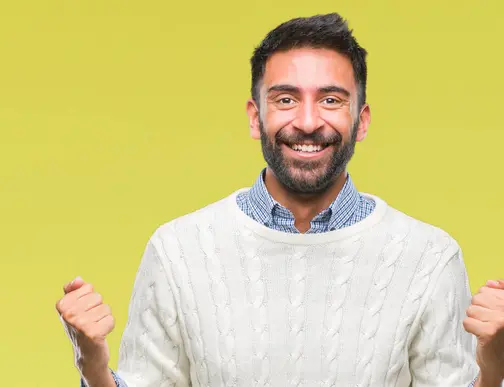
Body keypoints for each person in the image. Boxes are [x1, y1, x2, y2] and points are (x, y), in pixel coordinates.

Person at [55, 13, 504, 387]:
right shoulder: (178, 251)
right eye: (286, 99)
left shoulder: (429, 257)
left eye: (330, 99)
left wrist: (494, 367)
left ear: (361, 121)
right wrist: (93, 366)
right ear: (256, 117)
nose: (308, 122)